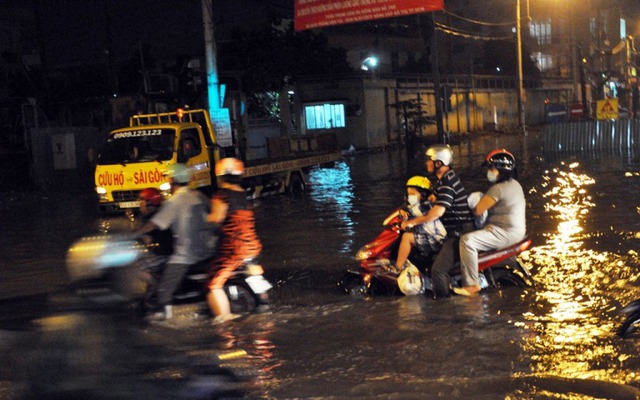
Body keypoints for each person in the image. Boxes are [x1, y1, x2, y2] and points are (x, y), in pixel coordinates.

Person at [135, 164, 214, 320]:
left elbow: (154, 224)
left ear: (172, 180)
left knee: (164, 290)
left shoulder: (174, 201)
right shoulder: (198, 195)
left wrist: (133, 233)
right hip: (208, 249)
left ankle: (164, 318)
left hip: (186, 255)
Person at [400, 144, 474, 298]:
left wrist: (413, 222)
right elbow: (429, 202)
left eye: (429, 160)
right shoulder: (443, 182)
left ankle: (444, 307)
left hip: (458, 234)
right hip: (452, 231)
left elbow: (437, 212)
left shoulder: (447, 184)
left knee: (438, 271)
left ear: (438, 163)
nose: (427, 163)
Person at [454, 149, 526, 296]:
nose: (489, 172)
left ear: (500, 169)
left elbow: (478, 211)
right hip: (516, 231)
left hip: (504, 232)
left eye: (491, 168)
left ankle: (471, 285)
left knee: (467, 241)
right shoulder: (515, 184)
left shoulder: (497, 189)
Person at [207, 158, 262, 323]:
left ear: (220, 175)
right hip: (253, 246)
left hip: (234, 248)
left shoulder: (222, 196)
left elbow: (216, 219)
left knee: (213, 285)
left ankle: (224, 319)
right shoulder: (244, 195)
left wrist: (204, 218)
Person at [393, 176, 447, 270]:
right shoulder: (427, 205)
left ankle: (398, 267)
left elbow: (409, 214)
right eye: (409, 194)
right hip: (435, 237)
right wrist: (403, 210)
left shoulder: (423, 207)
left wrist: (404, 220)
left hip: (435, 239)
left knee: (406, 237)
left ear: (422, 194)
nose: (410, 197)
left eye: (413, 194)